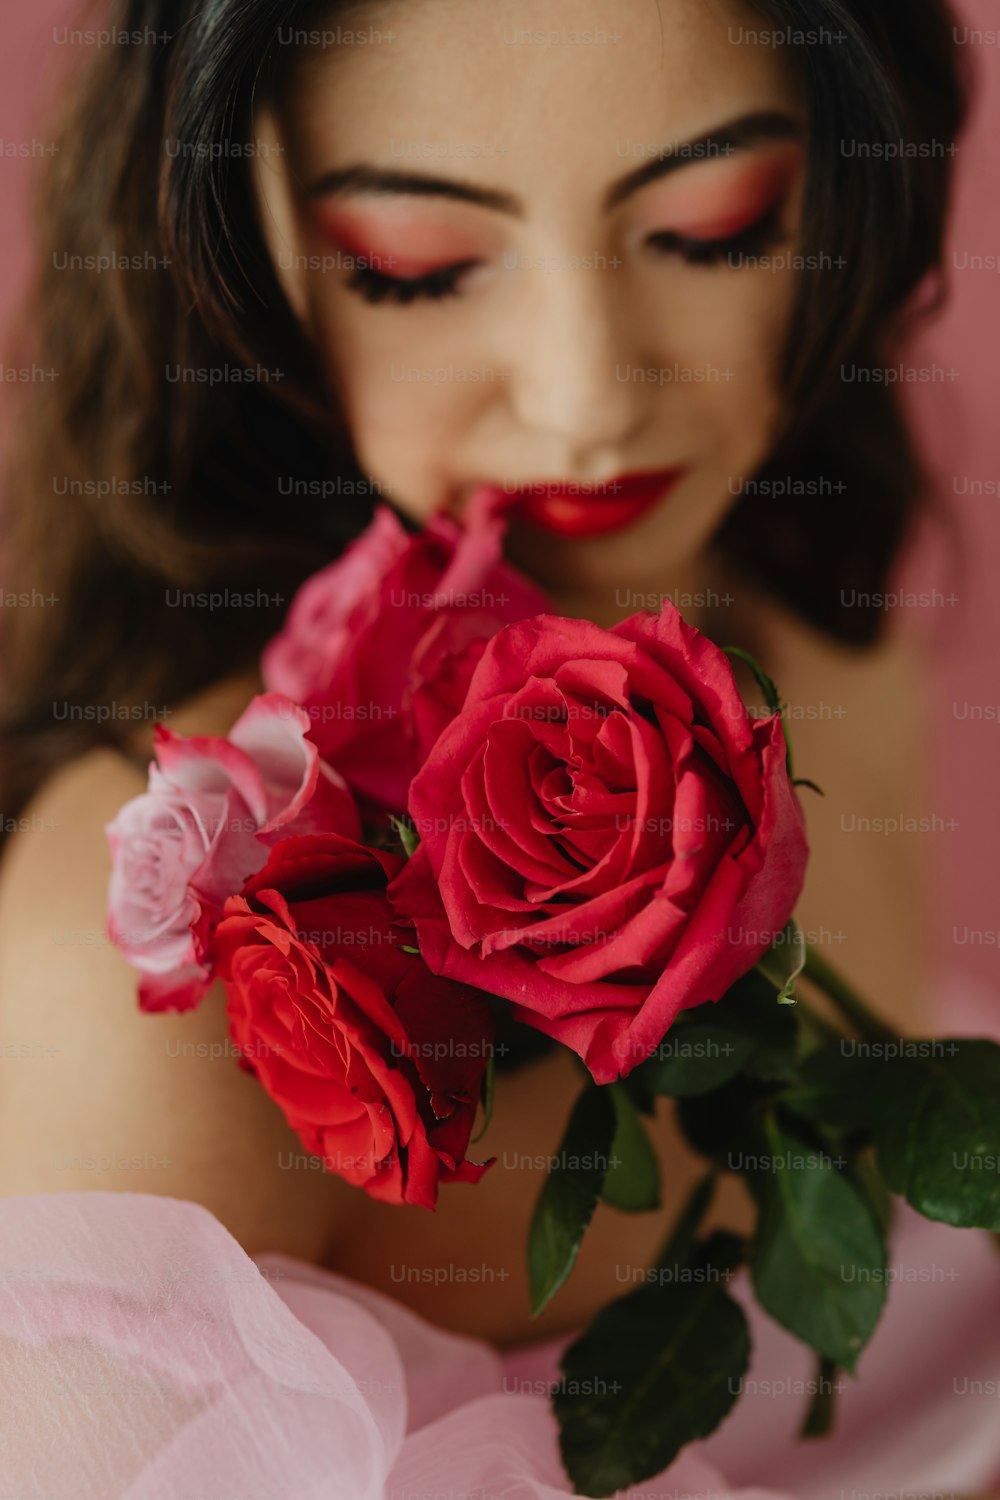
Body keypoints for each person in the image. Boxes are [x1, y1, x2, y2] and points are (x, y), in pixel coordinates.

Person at [0, 1, 997, 1495]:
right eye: (420, 264)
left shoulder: (820, 634)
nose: (586, 397)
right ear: (235, 214)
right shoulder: (157, 971)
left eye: (714, 226)